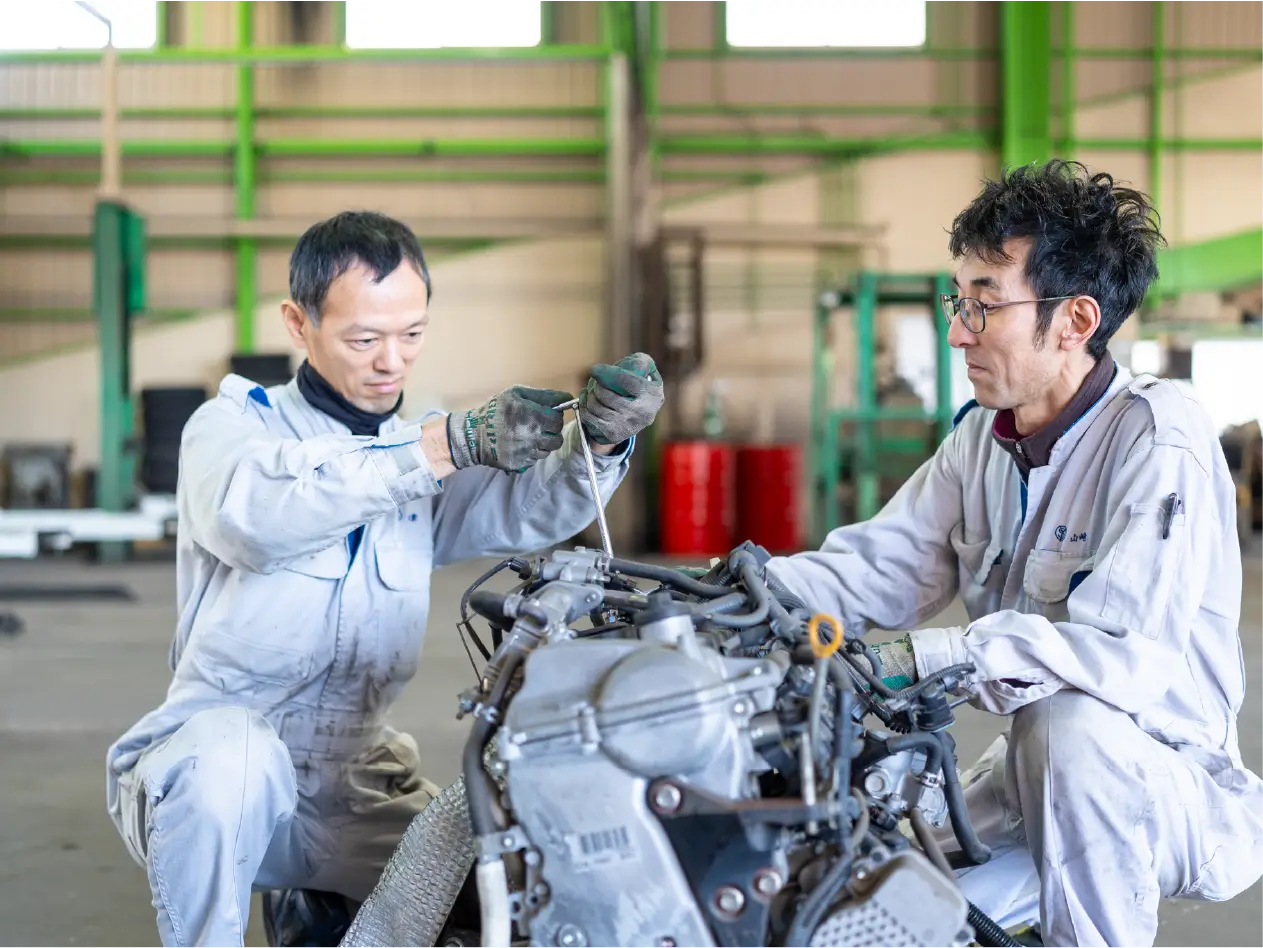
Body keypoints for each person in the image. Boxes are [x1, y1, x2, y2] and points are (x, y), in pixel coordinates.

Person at [104, 210, 664, 948]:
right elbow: (257, 515)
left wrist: (598, 442)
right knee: (228, 760)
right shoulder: (234, 428)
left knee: (507, 880)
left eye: (411, 334)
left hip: (354, 787)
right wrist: (442, 446)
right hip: (218, 775)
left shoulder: (421, 445)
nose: (391, 363)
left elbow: (523, 509)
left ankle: (317, 912)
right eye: (364, 340)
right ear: (298, 324)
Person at [767, 160, 1263, 947]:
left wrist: (933, 656)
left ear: (1074, 320)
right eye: (956, 301)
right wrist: (740, 593)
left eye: (983, 304)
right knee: (859, 911)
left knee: (1069, 723)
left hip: (1162, 783)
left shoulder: (1157, 435)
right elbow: (879, 567)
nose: (957, 331)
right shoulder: (981, 441)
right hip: (1033, 779)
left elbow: (1123, 659)